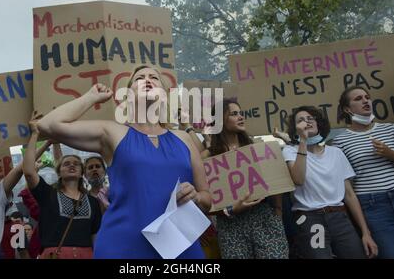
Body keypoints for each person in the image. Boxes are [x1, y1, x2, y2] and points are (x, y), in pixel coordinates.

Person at [37, 65, 212, 259]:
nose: (147, 80)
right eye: (139, 78)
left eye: (154, 77)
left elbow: (207, 199)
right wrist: (91, 97)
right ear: (128, 95)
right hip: (124, 247)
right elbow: (46, 126)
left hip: (179, 247)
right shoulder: (114, 133)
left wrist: (195, 197)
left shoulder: (184, 138)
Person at [283, 105, 378, 259]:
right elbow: (298, 179)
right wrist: (303, 141)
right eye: (300, 120)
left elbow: (349, 195)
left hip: (339, 217)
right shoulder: (290, 151)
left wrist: (365, 233)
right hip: (309, 219)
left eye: (310, 118)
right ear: (295, 129)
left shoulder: (336, 153)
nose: (306, 122)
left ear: (319, 123)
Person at [200, 98, 288, 259]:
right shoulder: (207, 157)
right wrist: (230, 210)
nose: (241, 117)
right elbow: (204, 194)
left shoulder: (257, 147)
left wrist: (278, 210)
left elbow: (275, 180)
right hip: (230, 225)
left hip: (264, 218)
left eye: (241, 113)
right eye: (234, 114)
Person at [23, 115, 102, 259]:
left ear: (82, 173)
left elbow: (95, 237)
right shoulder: (48, 195)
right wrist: (36, 134)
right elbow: (28, 171)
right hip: (55, 255)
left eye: (76, 163)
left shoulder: (93, 202)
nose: (71, 165)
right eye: (66, 164)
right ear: (59, 172)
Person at [333, 86, 394, 258]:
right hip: (373, 205)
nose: (365, 100)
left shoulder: (390, 129)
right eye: (358, 99)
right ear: (347, 109)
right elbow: (346, 186)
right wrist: (364, 231)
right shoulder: (340, 141)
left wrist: (390, 154)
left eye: (367, 97)